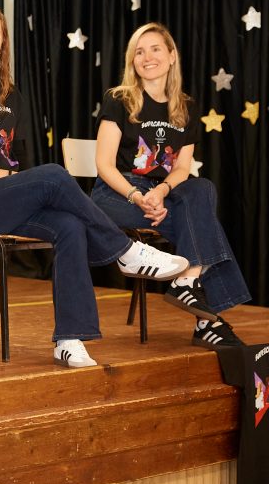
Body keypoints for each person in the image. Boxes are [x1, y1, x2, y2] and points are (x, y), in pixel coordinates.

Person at [0, 3, 193, 367]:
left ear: (4, 42)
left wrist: (16, 182)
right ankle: (125, 250)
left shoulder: (10, 94)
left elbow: (21, 156)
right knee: (52, 174)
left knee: (69, 224)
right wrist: (6, 179)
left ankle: (70, 337)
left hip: (4, 201)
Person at [91, 22, 250, 349]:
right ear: (132, 60)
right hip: (117, 194)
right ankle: (208, 320)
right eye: (139, 51)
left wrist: (161, 192)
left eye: (155, 49)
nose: (147, 57)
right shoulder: (119, 100)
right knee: (200, 223)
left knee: (201, 189)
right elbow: (104, 165)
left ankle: (189, 283)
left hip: (160, 195)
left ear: (172, 55)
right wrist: (138, 196)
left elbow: (180, 168)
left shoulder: (185, 107)